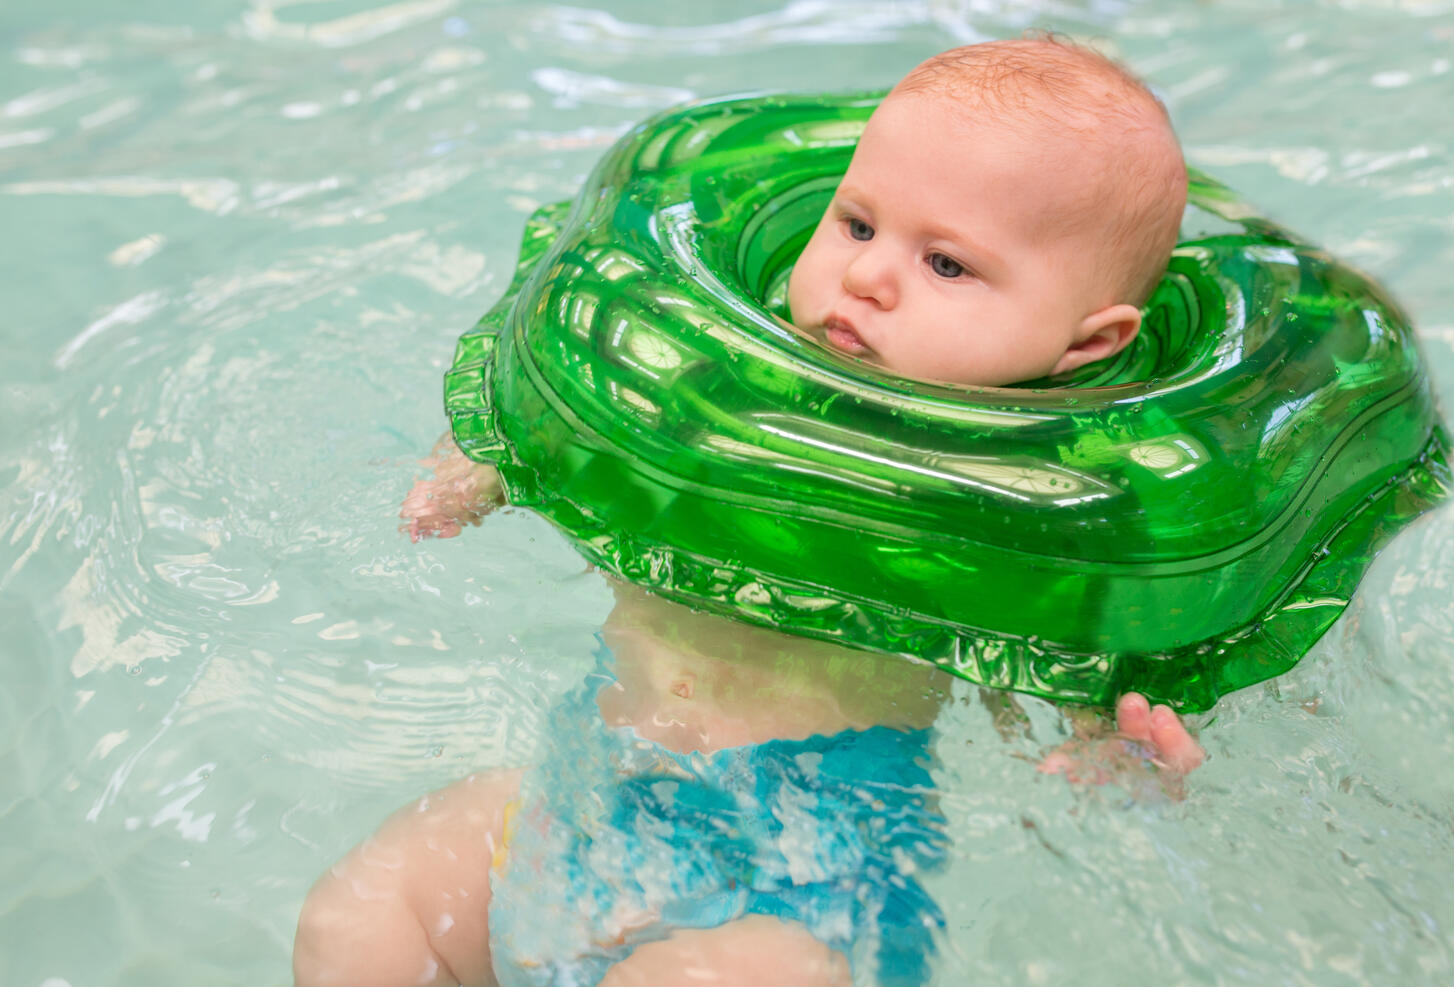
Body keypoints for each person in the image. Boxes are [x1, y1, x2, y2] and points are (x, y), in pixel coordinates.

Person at [296, 36, 1203, 987]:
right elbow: (578, 427)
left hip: (801, 881)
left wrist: (1117, 748)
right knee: (358, 914)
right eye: (857, 225)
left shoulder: (1016, 516)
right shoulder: (711, 399)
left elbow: (1062, 677)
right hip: (588, 790)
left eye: (946, 264)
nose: (869, 277)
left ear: (1085, 345)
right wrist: (492, 458)